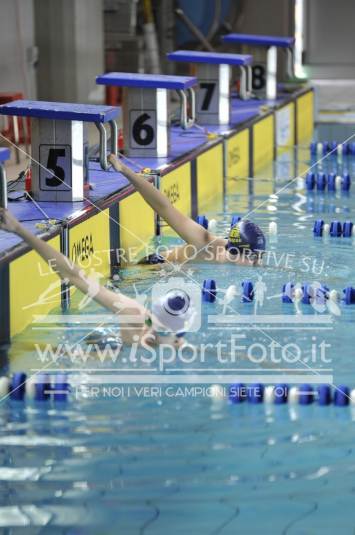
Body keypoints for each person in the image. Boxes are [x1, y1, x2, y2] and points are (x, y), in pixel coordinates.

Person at [0, 208, 190, 347]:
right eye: (151, 321)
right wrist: (19, 229)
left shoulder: (142, 323)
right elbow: (74, 276)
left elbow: (75, 277)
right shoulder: (136, 316)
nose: (149, 325)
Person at [108, 154, 266, 266]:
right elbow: (164, 207)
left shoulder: (244, 260)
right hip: (154, 269)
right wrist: (124, 169)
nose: (257, 263)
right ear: (234, 251)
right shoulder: (204, 243)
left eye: (258, 256)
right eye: (253, 257)